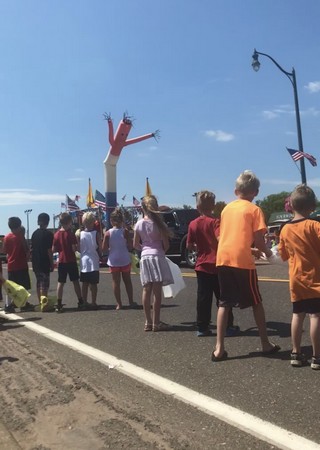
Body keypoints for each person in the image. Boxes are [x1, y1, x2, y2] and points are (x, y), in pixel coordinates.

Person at [212, 170, 280, 361]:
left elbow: (231, 237)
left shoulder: (226, 209)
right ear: (256, 193)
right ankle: (265, 343)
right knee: (256, 301)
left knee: (224, 302)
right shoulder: (255, 210)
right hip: (242, 262)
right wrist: (267, 252)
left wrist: (251, 250)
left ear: (236, 191)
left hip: (223, 258)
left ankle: (219, 348)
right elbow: (259, 240)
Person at [278, 185, 320, 370]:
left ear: (292, 206)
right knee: (316, 316)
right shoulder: (315, 226)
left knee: (297, 315)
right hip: (315, 279)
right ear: (312, 207)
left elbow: (283, 255)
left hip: (296, 280)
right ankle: (316, 356)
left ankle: (295, 352)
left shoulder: (285, 229)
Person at [187, 191, 238, 337]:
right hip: (217, 264)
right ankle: (228, 325)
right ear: (214, 206)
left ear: (197, 206)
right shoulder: (216, 222)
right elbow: (220, 239)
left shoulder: (193, 224)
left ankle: (202, 327)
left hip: (201, 265)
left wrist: (199, 247)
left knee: (203, 298)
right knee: (223, 297)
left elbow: (189, 245)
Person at [133, 195, 174, 332]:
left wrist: (144, 249)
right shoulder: (160, 225)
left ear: (142, 208)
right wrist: (160, 251)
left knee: (146, 289)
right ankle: (156, 322)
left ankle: (148, 322)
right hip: (157, 255)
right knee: (157, 292)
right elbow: (166, 245)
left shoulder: (138, 224)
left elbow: (135, 244)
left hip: (145, 257)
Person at [102, 208, 136, 309]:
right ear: (122, 221)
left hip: (113, 260)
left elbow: (104, 248)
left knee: (116, 282)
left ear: (111, 221)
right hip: (124, 258)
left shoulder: (108, 233)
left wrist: (110, 247)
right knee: (127, 281)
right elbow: (130, 246)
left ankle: (119, 304)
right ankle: (131, 301)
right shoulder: (125, 232)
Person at [52, 212, 84, 313]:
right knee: (75, 281)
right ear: (69, 222)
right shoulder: (70, 234)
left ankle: (59, 302)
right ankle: (80, 301)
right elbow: (74, 248)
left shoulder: (56, 234)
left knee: (61, 282)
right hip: (71, 260)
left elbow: (54, 249)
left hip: (61, 261)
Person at [2, 217, 33, 313]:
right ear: (19, 226)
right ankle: (22, 303)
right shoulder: (20, 237)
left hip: (11, 265)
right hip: (21, 265)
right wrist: (28, 255)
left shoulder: (6, 237)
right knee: (23, 287)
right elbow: (26, 250)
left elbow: (4, 251)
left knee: (12, 287)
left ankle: (9, 304)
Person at [78, 212, 101, 309]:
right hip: (93, 260)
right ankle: (94, 302)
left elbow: (79, 248)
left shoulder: (80, 233)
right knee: (94, 284)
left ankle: (84, 301)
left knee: (84, 283)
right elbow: (99, 246)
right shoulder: (96, 234)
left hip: (84, 260)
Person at [31, 213, 54, 303]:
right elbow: (49, 250)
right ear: (47, 222)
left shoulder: (34, 234)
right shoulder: (48, 234)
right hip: (44, 262)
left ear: (38, 222)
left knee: (38, 282)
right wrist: (52, 264)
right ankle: (44, 303)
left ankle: (40, 301)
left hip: (36, 262)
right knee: (44, 284)